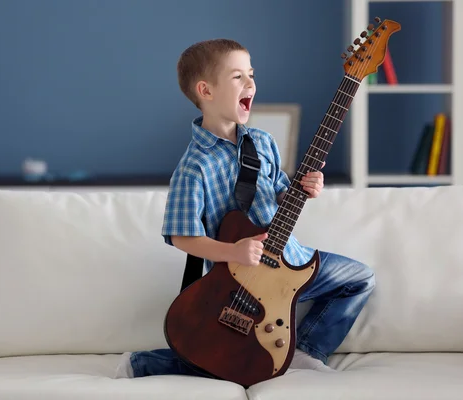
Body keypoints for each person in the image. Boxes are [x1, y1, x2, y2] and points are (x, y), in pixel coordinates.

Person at [114, 38, 375, 380]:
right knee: (230, 358)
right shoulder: (194, 167)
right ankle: (145, 364)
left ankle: (307, 350)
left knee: (360, 279)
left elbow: (282, 193)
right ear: (205, 90)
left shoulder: (262, 142)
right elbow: (182, 236)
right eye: (238, 76)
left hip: (292, 262)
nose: (250, 83)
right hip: (239, 284)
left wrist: (306, 188)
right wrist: (232, 251)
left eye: (251, 74)